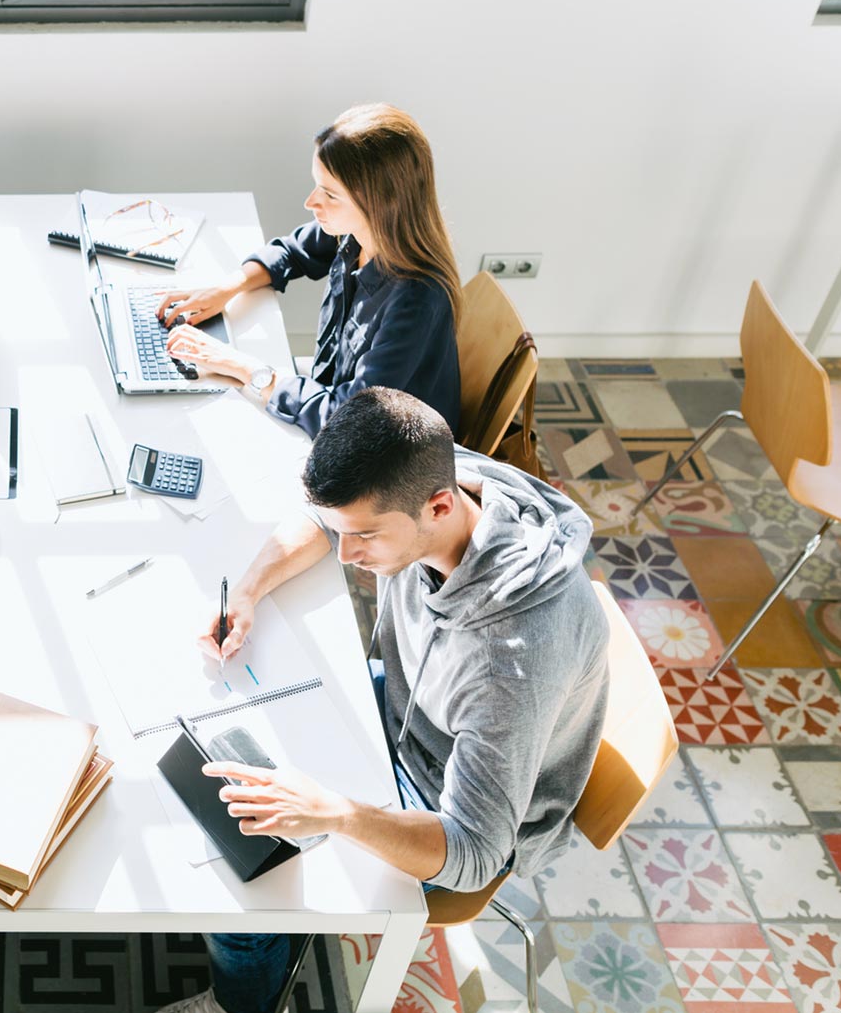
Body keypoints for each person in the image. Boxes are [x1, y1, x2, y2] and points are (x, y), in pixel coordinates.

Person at [157, 388, 609, 1013]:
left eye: (365, 537)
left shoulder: (511, 661)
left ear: (438, 506)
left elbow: (476, 854)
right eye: (347, 533)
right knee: (230, 725)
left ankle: (244, 1005)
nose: (346, 556)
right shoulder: (451, 478)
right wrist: (250, 591)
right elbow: (326, 518)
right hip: (402, 709)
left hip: (447, 794)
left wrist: (338, 813)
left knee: (244, 897)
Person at [155, 104, 462, 440]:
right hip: (332, 399)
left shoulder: (415, 300)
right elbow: (291, 252)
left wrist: (241, 367)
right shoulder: (355, 234)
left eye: (330, 194)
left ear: (381, 202)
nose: (311, 202)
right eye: (317, 185)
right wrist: (226, 289)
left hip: (388, 455)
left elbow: (346, 419)